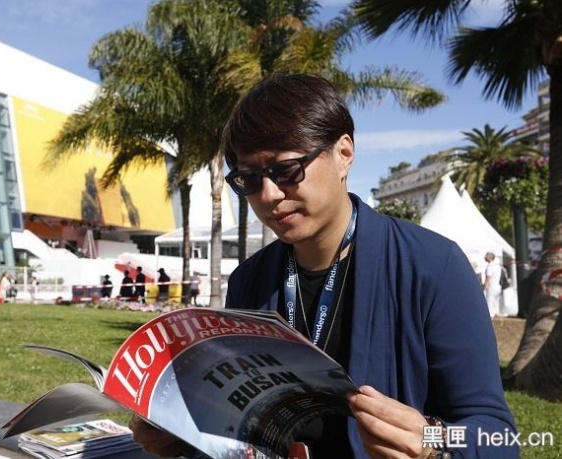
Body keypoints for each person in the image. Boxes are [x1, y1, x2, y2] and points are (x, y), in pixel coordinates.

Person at [130, 74, 517, 458]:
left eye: (286, 170)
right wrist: (182, 436)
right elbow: (238, 422)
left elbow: (498, 437)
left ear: (343, 154)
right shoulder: (250, 280)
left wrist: (433, 442)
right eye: (248, 179)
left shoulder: (432, 267)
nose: (269, 195)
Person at [483, 251, 504, 317]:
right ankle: (495, 315)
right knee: (495, 304)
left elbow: (488, 278)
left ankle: (490, 317)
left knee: (489, 303)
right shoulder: (498, 266)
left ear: (490, 258)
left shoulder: (490, 266)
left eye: (486, 256)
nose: (484, 257)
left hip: (491, 287)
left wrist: (484, 287)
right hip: (498, 286)